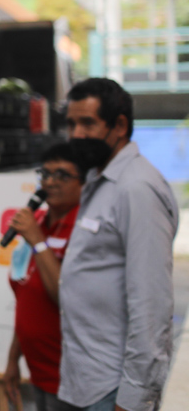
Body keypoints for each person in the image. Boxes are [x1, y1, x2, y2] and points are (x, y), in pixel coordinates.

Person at [58, 78, 178, 411]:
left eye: (87, 123)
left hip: (113, 390)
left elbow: (151, 306)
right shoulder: (99, 180)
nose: (76, 134)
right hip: (85, 381)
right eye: (71, 124)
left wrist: (134, 399)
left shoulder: (136, 188)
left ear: (120, 125)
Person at [3, 143, 84, 411]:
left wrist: (38, 242)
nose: (50, 182)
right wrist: (13, 359)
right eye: (45, 174)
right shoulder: (37, 221)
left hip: (71, 379)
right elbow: (26, 295)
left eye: (62, 175)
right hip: (38, 372)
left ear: (84, 182)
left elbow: (65, 297)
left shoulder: (84, 230)